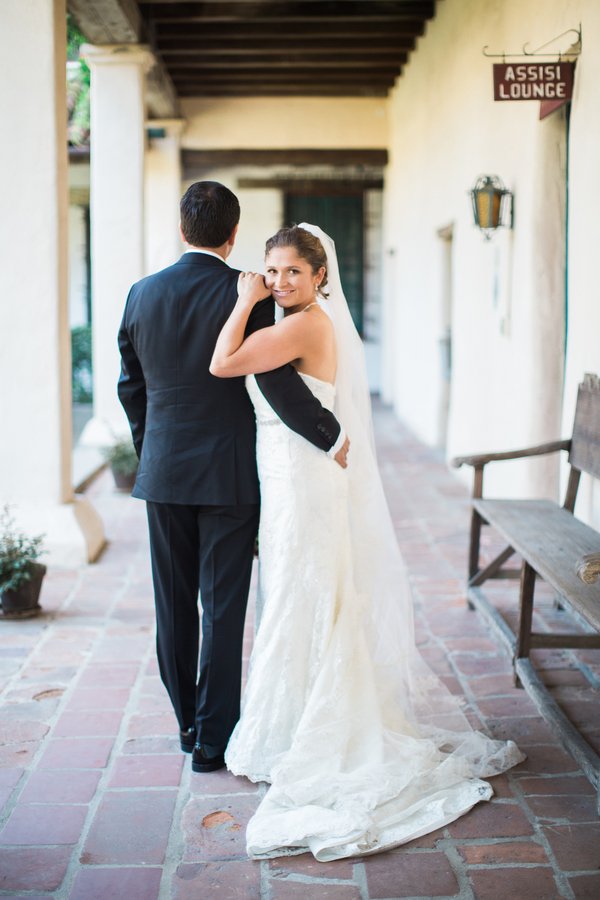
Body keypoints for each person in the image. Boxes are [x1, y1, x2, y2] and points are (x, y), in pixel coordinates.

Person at [209, 223, 525, 861]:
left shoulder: (302, 323)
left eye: (292, 271)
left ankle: (309, 727)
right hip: (288, 474)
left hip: (301, 481)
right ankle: (295, 719)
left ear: (320, 275)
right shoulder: (294, 318)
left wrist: (243, 300)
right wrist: (260, 301)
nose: (278, 281)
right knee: (299, 592)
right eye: (270, 271)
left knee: (306, 592)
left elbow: (222, 364)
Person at [117, 183, 349, 777]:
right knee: (223, 607)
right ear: (234, 234)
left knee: (173, 605)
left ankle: (186, 722)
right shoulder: (254, 294)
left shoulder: (141, 295)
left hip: (164, 474)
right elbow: (276, 383)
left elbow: (131, 387)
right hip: (230, 474)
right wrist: (331, 435)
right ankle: (214, 741)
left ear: (181, 227)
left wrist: (153, 455)